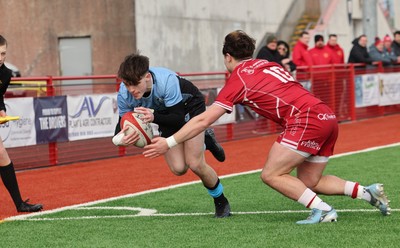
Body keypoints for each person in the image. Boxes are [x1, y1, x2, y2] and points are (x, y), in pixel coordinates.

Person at [144, 30, 391, 224]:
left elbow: (204, 119)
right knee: (310, 181)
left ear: (227, 57)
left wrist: (169, 142)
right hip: (326, 116)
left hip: (304, 120)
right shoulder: (268, 64)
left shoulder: (237, 78)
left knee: (271, 174)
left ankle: (323, 210)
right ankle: (367, 193)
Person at [114, 53, 231, 218]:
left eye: (135, 84)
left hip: (190, 108)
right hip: (164, 114)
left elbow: (177, 118)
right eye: (127, 84)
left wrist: (154, 117)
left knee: (195, 163)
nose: (131, 89)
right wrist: (120, 139)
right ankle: (205, 139)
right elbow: (122, 122)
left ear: (147, 77)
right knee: (178, 168)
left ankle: (221, 201)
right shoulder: (124, 94)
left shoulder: (166, 81)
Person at [0, 35, 43, 213]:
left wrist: (1, 110)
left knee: (2, 155)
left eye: (3, 53)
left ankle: (19, 204)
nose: (0, 57)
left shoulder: (6, 74)